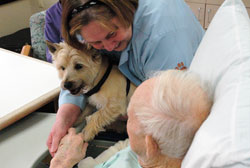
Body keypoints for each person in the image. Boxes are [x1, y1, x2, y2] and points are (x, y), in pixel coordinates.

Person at [47, 0, 205, 157]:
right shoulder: (89, 25)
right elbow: (82, 66)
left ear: (124, 9)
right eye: (95, 43)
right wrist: (64, 117)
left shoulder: (163, 37)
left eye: (112, 34)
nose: (108, 47)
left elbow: (175, 115)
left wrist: (123, 112)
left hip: (183, 115)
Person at [49, 69, 213, 168]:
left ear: (150, 144)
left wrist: (61, 163)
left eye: (131, 114)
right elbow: (126, 149)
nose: (125, 118)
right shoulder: (165, 149)